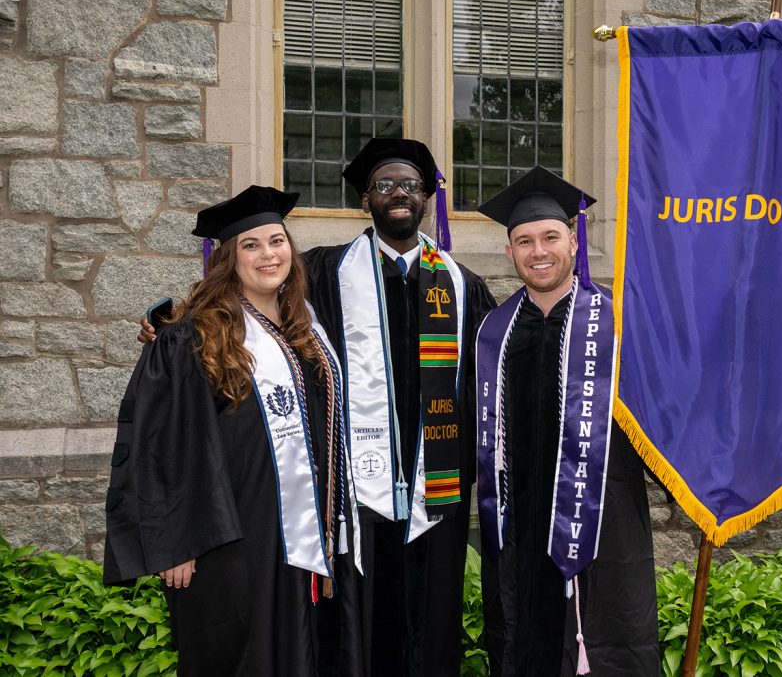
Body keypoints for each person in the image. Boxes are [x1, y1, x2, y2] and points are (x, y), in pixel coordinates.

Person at [104, 186, 363, 676]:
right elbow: (165, 442)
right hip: (233, 538)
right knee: (244, 654)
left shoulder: (306, 325)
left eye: (277, 241)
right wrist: (178, 541)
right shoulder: (193, 336)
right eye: (252, 245)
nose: (269, 254)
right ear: (228, 258)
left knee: (303, 650)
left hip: (307, 532)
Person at [303, 138, 496, 677]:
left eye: (411, 185)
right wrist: (176, 322)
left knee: (433, 624)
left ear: (427, 197)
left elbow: (503, 361)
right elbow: (251, 305)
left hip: (439, 492)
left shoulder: (461, 284)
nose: (400, 195)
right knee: (363, 628)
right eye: (385, 185)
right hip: (358, 491)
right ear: (365, 201)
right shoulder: (325, 274)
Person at [474, 166, 660, 676]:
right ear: (510, 252)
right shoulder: (494, 331)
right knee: (523, 636)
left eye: (551, 237)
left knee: (607, 641)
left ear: (574, 243)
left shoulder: (616, 323)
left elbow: (662, 417)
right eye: (525, 240)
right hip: (521, 528)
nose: (539, 251)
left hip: (602, 518)